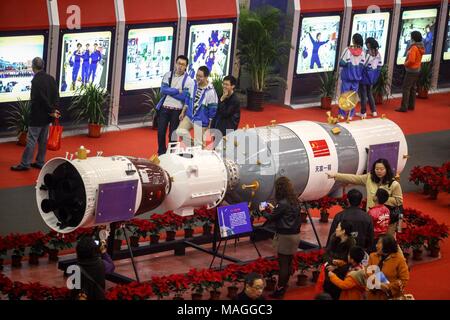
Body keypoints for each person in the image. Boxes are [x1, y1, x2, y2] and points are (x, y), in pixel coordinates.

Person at [11, 58, 59, 171]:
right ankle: (40, 162)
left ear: (33, 67)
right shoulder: (50, 78)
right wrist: (53, 110)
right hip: (48, 116)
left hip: (37, 115)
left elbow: (40, 99)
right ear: (43, 66)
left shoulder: (36, 81)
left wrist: (50, 109)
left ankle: (25, 164)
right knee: (43, 140)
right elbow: (56, 95)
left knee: (31, 140)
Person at [261, 177, 301, 299]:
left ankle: (280, 290)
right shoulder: (294, 200)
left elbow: (271, 218)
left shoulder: (283, 203)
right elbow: (286, 214)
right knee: (288, 263)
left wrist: (262, 211)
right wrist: (275, 209)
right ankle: (284, 286)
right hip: (295, 236)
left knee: (283, 265)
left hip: (285, 237)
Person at [326, 158, 403, 213]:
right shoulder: (369, 178)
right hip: (371, 215)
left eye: (382, 169)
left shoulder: (394, 184)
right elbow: (354, 178)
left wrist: (381, 199)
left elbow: (399, 201)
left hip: (386, 218)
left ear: (387, 169)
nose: (379, 171)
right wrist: (336, 176)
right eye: (376, 169)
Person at [155, 55, 193, 155]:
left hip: (177, 111)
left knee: (173, 135)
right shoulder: (168, 75)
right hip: (164, 108)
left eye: (183, 64)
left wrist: (170, 91)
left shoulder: (189, 80)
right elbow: (163, 90)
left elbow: (184, 97)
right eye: (179, 63)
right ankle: (161, 153)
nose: (180, 66)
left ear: (186, 66)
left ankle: (170, 154)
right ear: (175, 64)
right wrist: (177, 90)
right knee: (161, 132)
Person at [177, 66, 218, 148]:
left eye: (200, 76)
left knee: (199, 147)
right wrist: (183, 112)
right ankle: (193, 146)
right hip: (189, 117)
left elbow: (212, 111)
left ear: (206, 77)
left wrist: (209, 126)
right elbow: (188, 98)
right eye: (197, 75)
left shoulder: (211, 92)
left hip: (201, 121)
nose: (198, 78)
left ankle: (199, 152)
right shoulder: (193, 84)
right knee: (179, 131)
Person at [367, 235, 409, 300]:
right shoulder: (372, 256)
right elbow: (367, 274)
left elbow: (404, 279)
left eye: (379, 243)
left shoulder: (399, 259)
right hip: (373, 295)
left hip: (391, 296)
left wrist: (388, 287)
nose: (376, 246)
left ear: (387, 245)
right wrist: (378, 284)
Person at [322, 221, 356, 300]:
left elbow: (351, 263)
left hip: (341, 276)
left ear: (343, 231)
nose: (336, 229)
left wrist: (336, 267)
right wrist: (329, 265)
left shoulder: (351, 244)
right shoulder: (334, 237)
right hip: (329, 273)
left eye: (338, 227)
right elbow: (326, 254)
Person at [395, 31, 425, 113]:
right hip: (417, 70)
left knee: (406, 88)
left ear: (413, 38)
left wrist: (405, 64)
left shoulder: (414, 47)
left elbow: (411, 60)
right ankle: (411, 105)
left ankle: (404, 107)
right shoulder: (421, 46)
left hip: (411, 70)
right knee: (413, 88)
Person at [338, 33, 366, 120]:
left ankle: (342, 114)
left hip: (347, 77)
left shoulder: (347, 50)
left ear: (353, 40)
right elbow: (363, 66)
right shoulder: (363, 53)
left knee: (344, 96)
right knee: (353, 97)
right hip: (356, 79)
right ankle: (350, 115)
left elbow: (341, 63)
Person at [73, 236, 107, 300]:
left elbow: (75, 289)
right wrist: (104, 252)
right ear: (94, 250)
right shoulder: (101, 264)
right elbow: (111, 267)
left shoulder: (76, 267)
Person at [357, 37, 382, 119]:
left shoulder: (368, 53)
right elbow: (379, 65)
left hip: (364, 77)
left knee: (363, 95)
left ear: (368, 44)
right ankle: (374, 111)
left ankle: (363, 112)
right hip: (373, 77)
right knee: (370, 93)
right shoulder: (378, 53)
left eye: (366, 43)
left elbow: (364, 64)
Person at [212, 75, 240, 139]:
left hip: (228, 130)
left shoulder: (235, 100)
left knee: (224, 148)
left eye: (227, 84)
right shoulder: (221, 95)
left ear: (233, 86)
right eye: (223, 84)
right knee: (215, 146)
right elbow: (216, 113)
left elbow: (225, 113)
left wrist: (222, 100)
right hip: (218, 126)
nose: (224, 86)